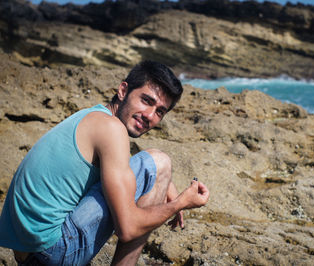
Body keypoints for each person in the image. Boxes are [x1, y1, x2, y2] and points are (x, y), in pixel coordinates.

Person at [0, 60, 210, 265]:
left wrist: (164, 182)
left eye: (160, 112)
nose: (149, 116)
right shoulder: (112, 129)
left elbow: (120, 170)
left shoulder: (94, 116)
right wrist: (180, 203)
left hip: (27, 255)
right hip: (52, 252)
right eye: (146, 101)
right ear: (123, 90)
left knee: (154, 168)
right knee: (160, 161)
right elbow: (127, 229)